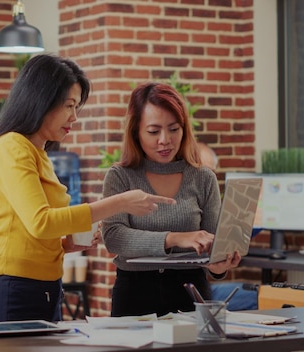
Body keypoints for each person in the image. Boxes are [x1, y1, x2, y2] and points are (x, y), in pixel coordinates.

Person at [0, 55, 176, 323]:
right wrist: (119, 202)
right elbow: (40, 221)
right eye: (69, 106)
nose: (74, 117)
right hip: (12, 289)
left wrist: (65, 245)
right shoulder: (11, 147)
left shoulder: (38, 153)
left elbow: (32, 232)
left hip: (44, 288)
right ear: (41, 100)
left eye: (76, 106)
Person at [102, 82, 241, 317]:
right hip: (134, 294)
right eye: (154, 131)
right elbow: (114, 238)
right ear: (136, 131)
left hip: (191, 293)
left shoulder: (203, 177)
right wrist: (174, 238)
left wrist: (219, 267)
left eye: (174, 129)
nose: (165, 140)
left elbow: (211, 245)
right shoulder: (120, 177)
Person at [197, 142, 259, 311]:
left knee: (259, 292)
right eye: (205, 171)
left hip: (205, 285)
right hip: (193, 291)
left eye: (213, 173)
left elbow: (213, 266)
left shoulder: (209, 204)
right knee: (259, 297)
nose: (209, 179)